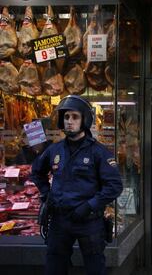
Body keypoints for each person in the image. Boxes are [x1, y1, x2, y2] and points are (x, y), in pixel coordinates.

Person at [31, 95, 123, 275]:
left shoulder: (99, 152)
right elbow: (37, 172)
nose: (69, 122)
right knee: (54, 266)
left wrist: (90, 206)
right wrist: (46, 195)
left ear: (85, 119)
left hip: (88, 221)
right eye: (66, 117)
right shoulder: (54, 150)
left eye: (74, 117)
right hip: (60, 220)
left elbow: (114, 186)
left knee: (95, 267)